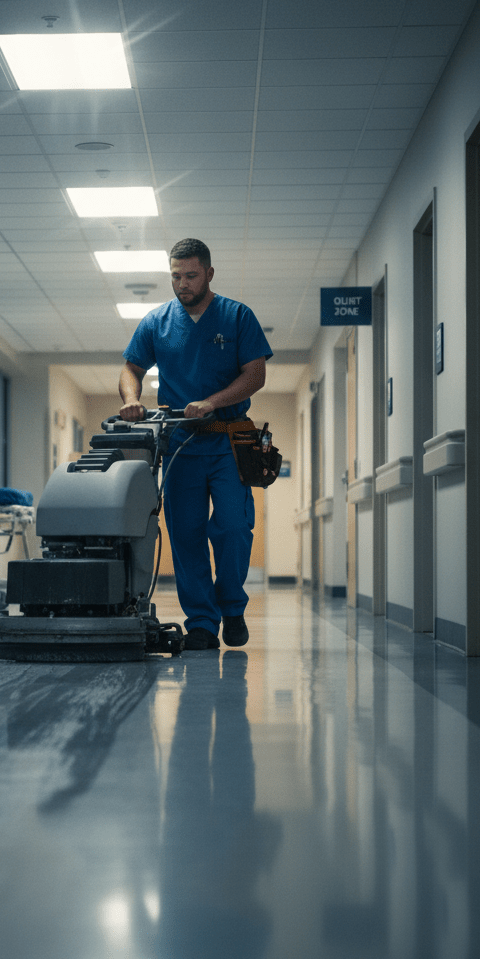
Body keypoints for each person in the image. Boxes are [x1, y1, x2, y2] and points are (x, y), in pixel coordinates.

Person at [118, 238, 271, 650]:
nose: (182, 284)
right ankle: (202, 622)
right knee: (185, 533)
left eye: (190, 275)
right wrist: (132, 399)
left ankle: (232, 607)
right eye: (175, 276)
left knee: (234, 527)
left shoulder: (237, 316)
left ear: (209, 273)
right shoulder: (157, 322)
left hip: (228, 440)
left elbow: (255, 375)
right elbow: (131, 367)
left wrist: (212, 401)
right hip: (181, 444)